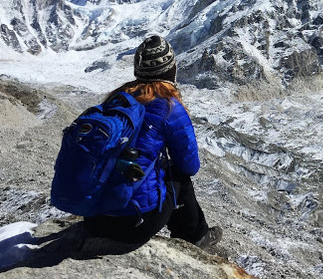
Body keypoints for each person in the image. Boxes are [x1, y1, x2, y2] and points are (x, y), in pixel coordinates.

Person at [83, 35, 222, 247]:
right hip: (133, 224)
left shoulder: (117, 99)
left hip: (93, 219)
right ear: (170, 70)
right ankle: (195, 236)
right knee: (180, 177)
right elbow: (190, 165)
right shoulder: (168, 107)